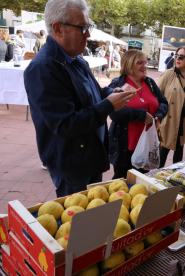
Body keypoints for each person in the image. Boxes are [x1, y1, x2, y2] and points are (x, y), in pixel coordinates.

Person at [24, 0, 136, 197]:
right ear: (58, 29)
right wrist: (109, 105)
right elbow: (65, 124)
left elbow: (91, 95)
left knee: (92, 214)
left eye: (88, 27)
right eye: (82, 28)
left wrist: (110, 94)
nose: (88, 35)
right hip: (72, 164)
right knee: (76, 222)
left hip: (90, 156)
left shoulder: (76, 59)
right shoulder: (44, 68)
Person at [108, 50, 168, 178]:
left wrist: (159, 116)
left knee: (142, 181)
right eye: (139, 63)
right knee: (122, 181)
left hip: (147, 144)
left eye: (145, 62)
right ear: (129, 64)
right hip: (125, 146)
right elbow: (114, 113)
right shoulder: (118, 84)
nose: (144, 66)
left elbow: (163, 102)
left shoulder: (150, 83)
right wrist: (140, 115)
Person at [158, 46, 185, 167]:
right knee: (163, 151)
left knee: (179, 151)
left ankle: (175, 178)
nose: (177, 58)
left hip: (183, 120)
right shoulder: (168, 74)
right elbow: (156, 97)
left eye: (181, 56)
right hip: (167, 120)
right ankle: (156, 180)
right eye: (176, 55)